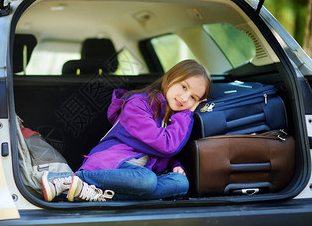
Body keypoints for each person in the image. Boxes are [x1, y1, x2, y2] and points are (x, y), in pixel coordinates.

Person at [41, 59, 211, 202]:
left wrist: (175, 165)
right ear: (170, 78)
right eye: (183, 87)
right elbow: (165, 145)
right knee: (147, 182)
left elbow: (165, 152)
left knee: (181, 182)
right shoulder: (137, 104)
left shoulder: (173, 117)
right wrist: (187, 114)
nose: (184, 98)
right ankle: (74, 180)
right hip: (110, 168)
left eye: (193, 98)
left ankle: (94, 195)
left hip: (135, 175)